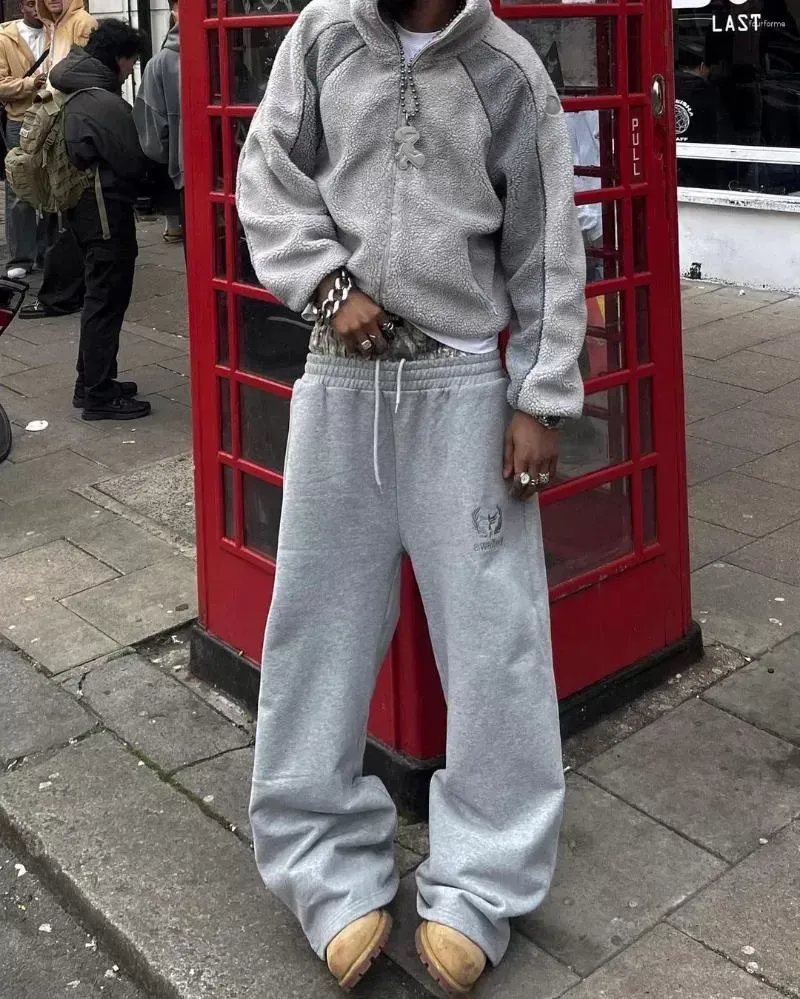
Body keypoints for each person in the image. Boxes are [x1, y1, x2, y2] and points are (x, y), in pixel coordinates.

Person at [237, 0, 586, 993]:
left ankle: (482, 881)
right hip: (339, 377)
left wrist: (541, 397)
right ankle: (320, 865)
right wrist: (324, 286)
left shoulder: (509, 71)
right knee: (315, 632)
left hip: (463, 389)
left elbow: (548, 247)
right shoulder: (322, 36)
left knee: (495, 646)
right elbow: (265, 174)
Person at [49, 19, 149, 419]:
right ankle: (98, 395)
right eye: (131, 61)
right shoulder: (105, 103)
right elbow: (132, 161)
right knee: (106, 299)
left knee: (98, 296)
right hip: (106, 212)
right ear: (119, 58)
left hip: (84, 210)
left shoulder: (78, 88)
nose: (130, 69)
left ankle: (91, 380)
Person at [19, 0, 96, 319]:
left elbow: (84, 76)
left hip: (70, 124)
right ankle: (66, 289)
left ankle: (62, 293)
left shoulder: (82, 23)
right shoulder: (55, 26)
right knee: (57, 209)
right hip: (54, 122)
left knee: (67, 209)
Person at [0, 0, 48, 279]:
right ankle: (21, 256)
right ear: (21, 7)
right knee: (19, 188)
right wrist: (31, 84)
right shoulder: (5, 38)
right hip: (20, 119)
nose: (36, 9)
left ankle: (47, 252)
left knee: (53, 185)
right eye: (31, 4)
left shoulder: (59, 31)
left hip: (52, 116)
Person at [133, 0, 183, 244]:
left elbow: (152, 131)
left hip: (179, 168)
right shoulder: (226, 51)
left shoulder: (158, 64)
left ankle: (173, 226)